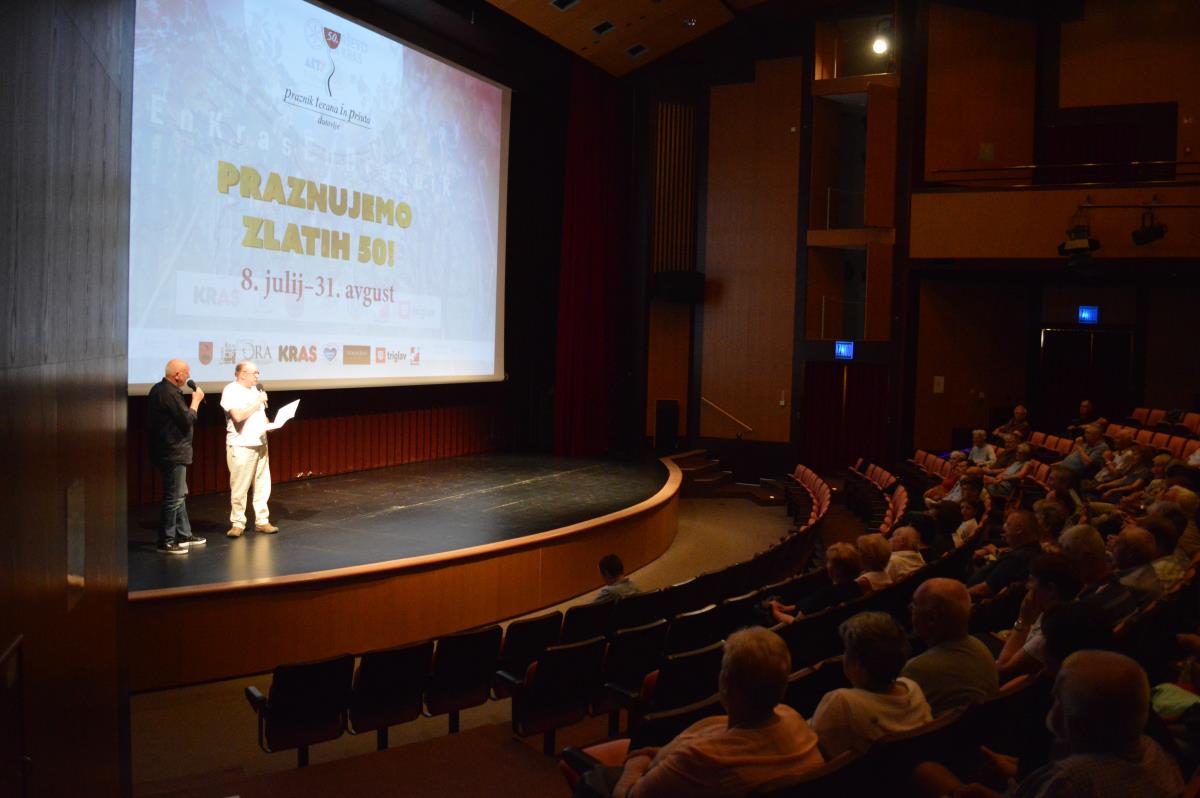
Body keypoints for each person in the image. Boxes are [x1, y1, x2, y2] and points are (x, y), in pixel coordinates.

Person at [915, 651, 1183, 798]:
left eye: (1057, 699)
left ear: (1067, 720)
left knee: (927, 772)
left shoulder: (1071, 780)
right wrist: (1016, 769)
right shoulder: (1153, 751)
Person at [606, 627, 825, 798]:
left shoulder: (701, 759)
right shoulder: (794, 719)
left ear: (726, 687)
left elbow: (628, 795)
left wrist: (636, 761)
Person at [810, 611, 932, 756]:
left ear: (857, 665)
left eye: (846, 651)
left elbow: (815, 751)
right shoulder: (912, 688)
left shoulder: (842, 702)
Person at [902, 578, 998, 717]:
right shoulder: (981, 648)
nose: (910, 608)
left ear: (932, 619)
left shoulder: (915, 671)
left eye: (915, 605)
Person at [147, 359, 206, 555]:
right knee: (174, 497)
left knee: (179, 494)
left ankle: (184, 534)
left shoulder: (159, 389)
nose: (189, 376)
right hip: (172, 451)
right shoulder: (169, 393)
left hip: (169, 450)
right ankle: (166, 540)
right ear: (178, 375)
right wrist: (196, 401)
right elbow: (187, 420)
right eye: (186, 373)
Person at [220, 360, 278, 536]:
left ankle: (262, 521)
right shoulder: (231, 390)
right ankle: (238, 523)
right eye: (255, 373)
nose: (258, 376)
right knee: (240, 486)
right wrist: (257, 401)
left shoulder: (256, 390)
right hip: (242, 445)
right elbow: (237, 416)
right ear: (243, 373)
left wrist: (269, 424)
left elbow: (261, 416)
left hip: (261, 443)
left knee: (262, 485)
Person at [967, 510, 1043, 600]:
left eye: (1008, 524)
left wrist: (960, 593)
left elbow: (984, 590)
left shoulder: (1016, 560)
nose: (1004, 527)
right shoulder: (1033, 549)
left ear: (1019, 529)